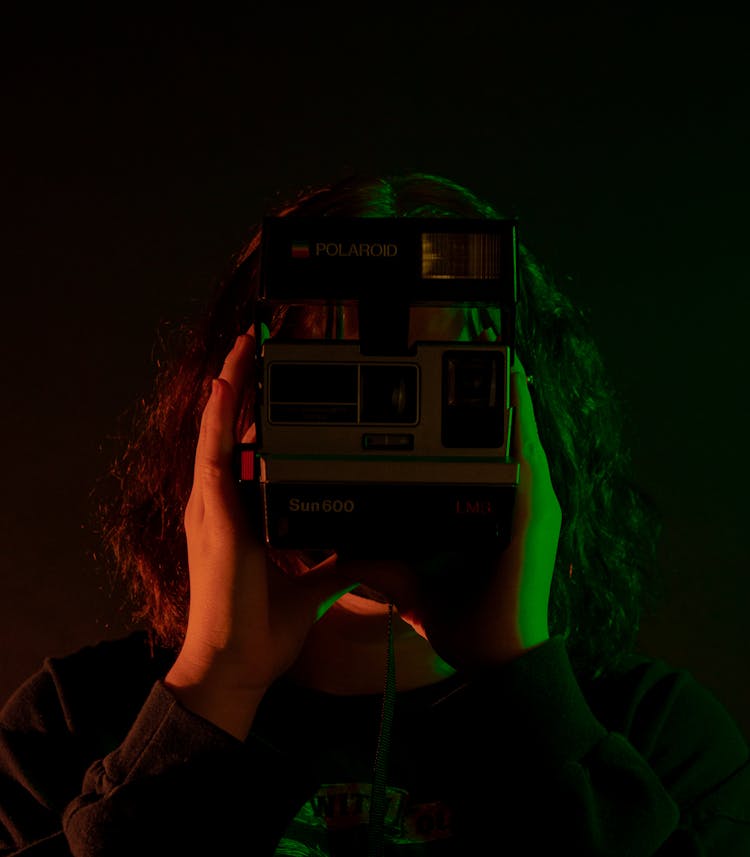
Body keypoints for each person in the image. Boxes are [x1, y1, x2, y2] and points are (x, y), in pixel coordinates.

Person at [1, 172, 748, 856]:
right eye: (326, 392)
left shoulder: (652, 735)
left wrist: (524, 691)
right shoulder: (73, 723)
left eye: (435, 395)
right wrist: (212, 686)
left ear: (529, 425)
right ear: (230, 416)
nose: (381, 444)